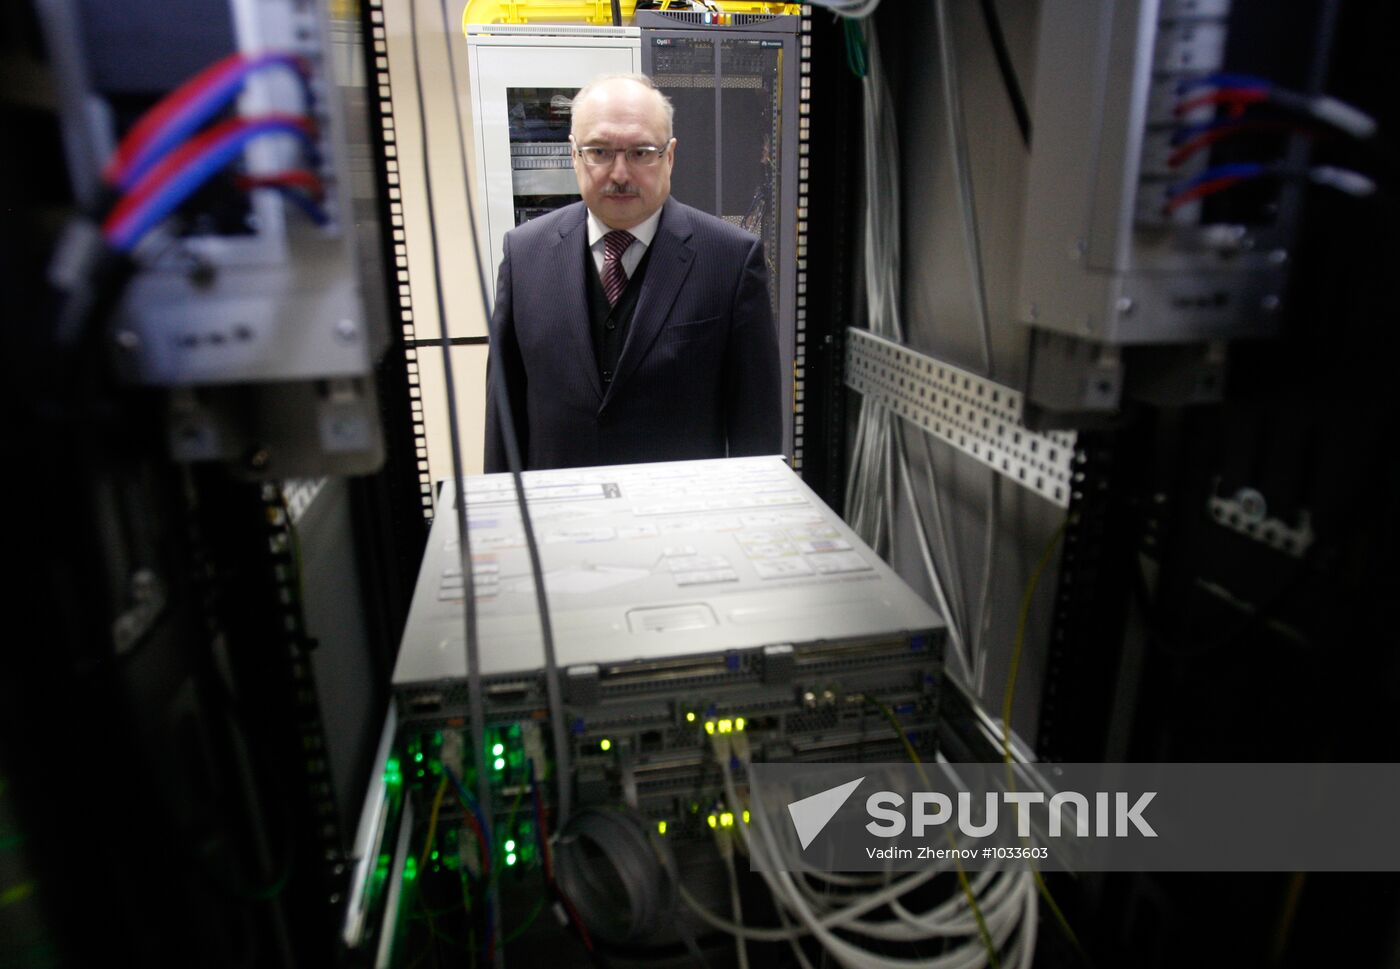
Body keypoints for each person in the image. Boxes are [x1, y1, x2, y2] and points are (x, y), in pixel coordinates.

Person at [483, 73, 781, 472]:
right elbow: (503, 418)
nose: (620, 174)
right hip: (558, 519)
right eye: (600, 152)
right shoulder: (524, 256)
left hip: (682, 523)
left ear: (669, 156)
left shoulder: (730, 260)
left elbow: (755, 433)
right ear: (574, 154)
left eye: (641, 152)